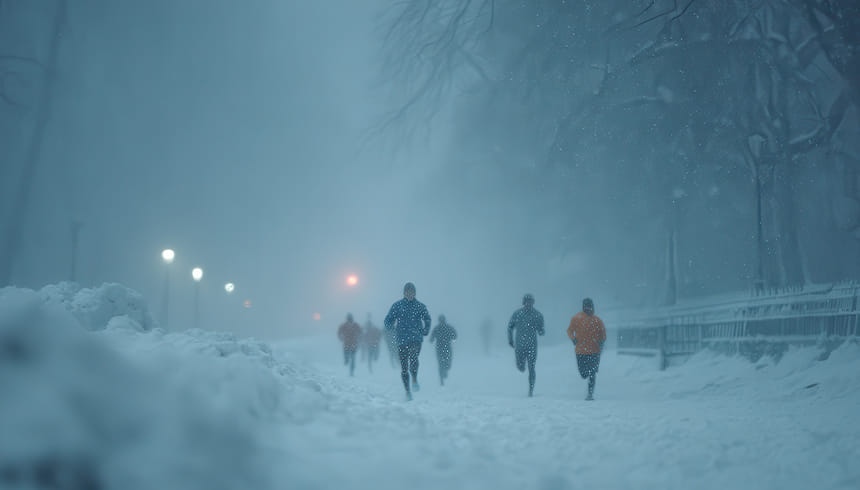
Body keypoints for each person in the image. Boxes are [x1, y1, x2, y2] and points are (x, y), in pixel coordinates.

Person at [384, 282, 431, 400]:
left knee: (414, 358)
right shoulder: (397, 306)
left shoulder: (420, 306)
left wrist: (426, 329)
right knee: (404, 367)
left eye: (412, 292)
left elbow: (427, 318)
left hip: (416, 338)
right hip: (402, 339)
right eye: (407, 292)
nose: (410, 294)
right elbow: (388, 320)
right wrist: (390, 327)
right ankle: (408, 391)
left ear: (415, 293)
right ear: (404, 293)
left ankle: (414, 379)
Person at [566, 298, 607, 401]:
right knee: (583, 374)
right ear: (583, 307)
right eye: (586, 306)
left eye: (590, 306)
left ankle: (590, 394)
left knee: (592, 373)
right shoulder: (576, 318)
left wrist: (602, 341)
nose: (588, 309)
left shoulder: (597, 320)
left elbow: (603, 333)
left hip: (594, 351)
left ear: (592, 307)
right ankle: (586, 374)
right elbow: (569, 330)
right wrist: (573, 338)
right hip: (581, 351)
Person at [508, 293, 545, 397]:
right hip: (520, 345)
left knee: (531, 367)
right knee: (521, 367)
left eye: (530, 301)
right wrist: (510, 340)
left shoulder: (537, 315)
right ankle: (521, 366)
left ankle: (531, 390)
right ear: (524, 302)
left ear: (533, 302)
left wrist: (541, 330)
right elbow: (510, 327)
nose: (528, 303)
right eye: (527, 301)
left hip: (532, 345)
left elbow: (541, 330)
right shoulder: (517, 314)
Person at [429, 314, 458, 386]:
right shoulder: (448, 327)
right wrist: (453, 338)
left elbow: (431, 339)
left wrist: (432, 340)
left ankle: (442, 377)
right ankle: (443, 375)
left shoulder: (437, 328)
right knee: (447, 362)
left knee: (441, 363)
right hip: (446, 348)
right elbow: (455, 336)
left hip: (440, 348)